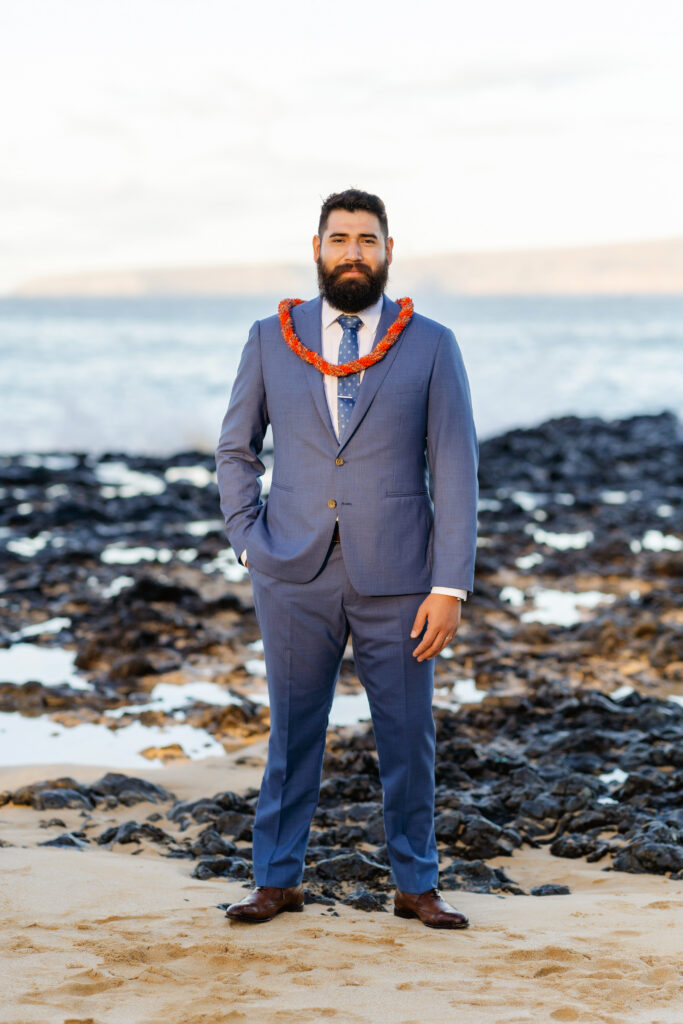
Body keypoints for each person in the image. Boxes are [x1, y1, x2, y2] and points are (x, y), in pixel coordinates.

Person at [215, 189, 478, 928]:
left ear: (388, 251)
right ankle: (276, 878)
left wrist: (449, 584)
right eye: (340, 239)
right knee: (292, 729)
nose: (353, 252)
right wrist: (246, 537)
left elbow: (453, 467)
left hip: (399, 575)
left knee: (406, 735)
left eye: (367, 239)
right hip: (290, 568)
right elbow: (236, 448)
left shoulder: (430, 343)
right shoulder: (270, 337)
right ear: (317, 248)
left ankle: (415, 886)